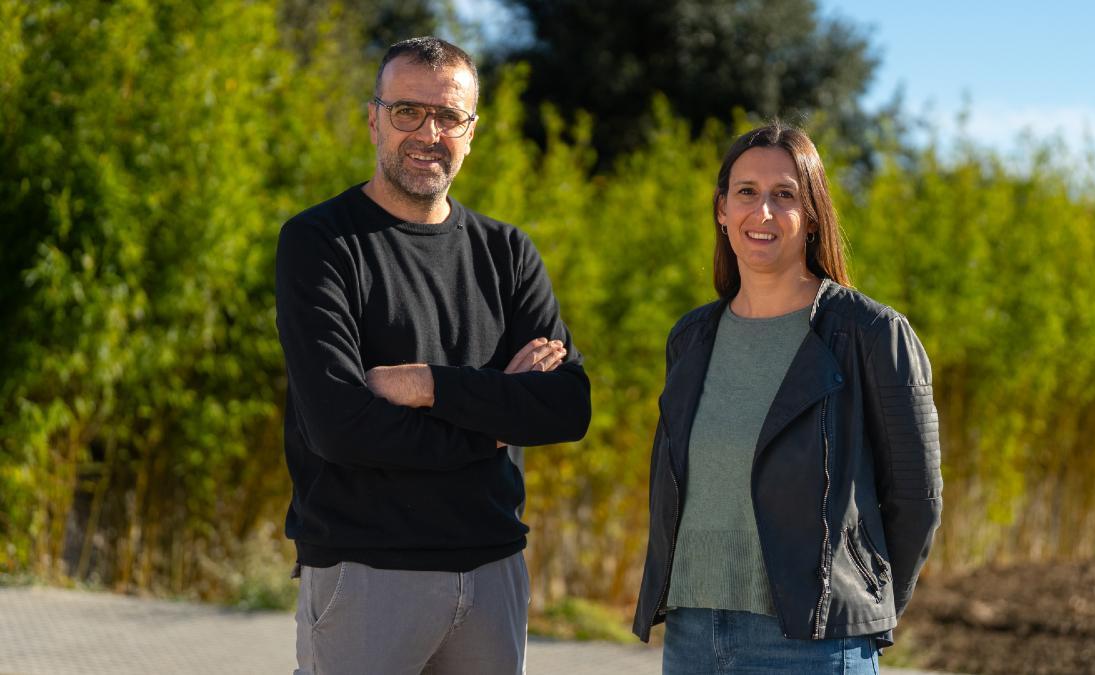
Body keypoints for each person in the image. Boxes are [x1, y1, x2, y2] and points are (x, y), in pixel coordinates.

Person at [274, 37, 590, 675]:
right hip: (367, 574)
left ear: (472, 133)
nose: (428, 133)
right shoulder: (320, 243)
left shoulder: (508, 253)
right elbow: (340, 428)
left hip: (494, 573)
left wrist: (427, 385)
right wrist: (495, 422)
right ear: (374, 120)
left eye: (449, 116)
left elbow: (565, 407)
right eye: (407, 112)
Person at [632, 123, 942, 673]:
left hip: (814, 644)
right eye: (747, 192)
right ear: (722, 209)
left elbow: (917, 500)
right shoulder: (691, 338)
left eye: (785, 195)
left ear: (813, 215)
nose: (764, 212)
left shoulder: (871, 335)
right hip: (692, 634)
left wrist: (864, 608)